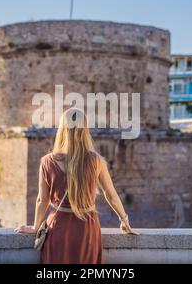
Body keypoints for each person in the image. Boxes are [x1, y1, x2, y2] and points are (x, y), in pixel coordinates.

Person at [15, 108, 138, 264]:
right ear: (84, 129)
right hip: (87, 228)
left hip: (58, 226)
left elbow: (42, 200)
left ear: (62, 129)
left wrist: (35, 227)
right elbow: (111, 194)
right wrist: (124, 220)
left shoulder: (47, 161)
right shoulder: (96, 161)